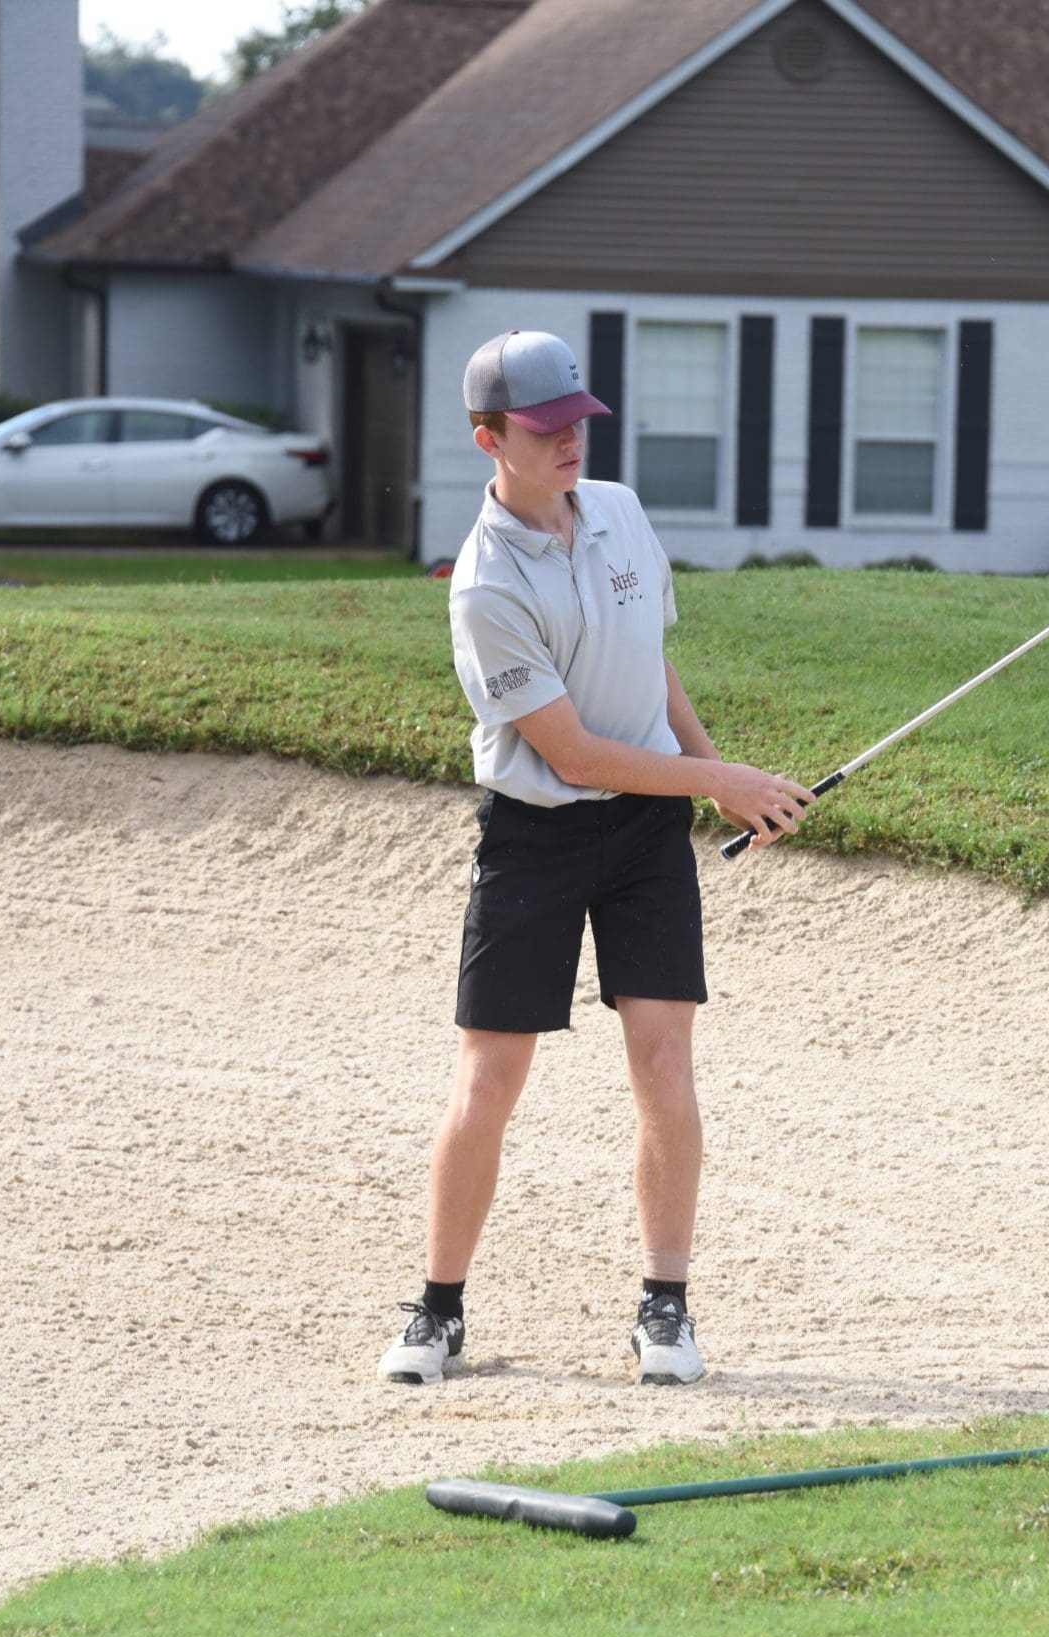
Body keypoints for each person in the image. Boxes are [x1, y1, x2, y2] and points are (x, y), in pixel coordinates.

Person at [379, 328, 815, 1387]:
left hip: (646, 834)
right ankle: (438, 1310)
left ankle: (665, 1306)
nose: (571, 441)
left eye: (578, 420)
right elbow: (570, 753)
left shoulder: (618, 510)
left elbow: (652, 665)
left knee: (664, 1063)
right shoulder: (484, 585)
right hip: (535, 835)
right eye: (545, 428)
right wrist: (718, 780)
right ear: (489, 438)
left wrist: (718, 775)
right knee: (491, 1076)